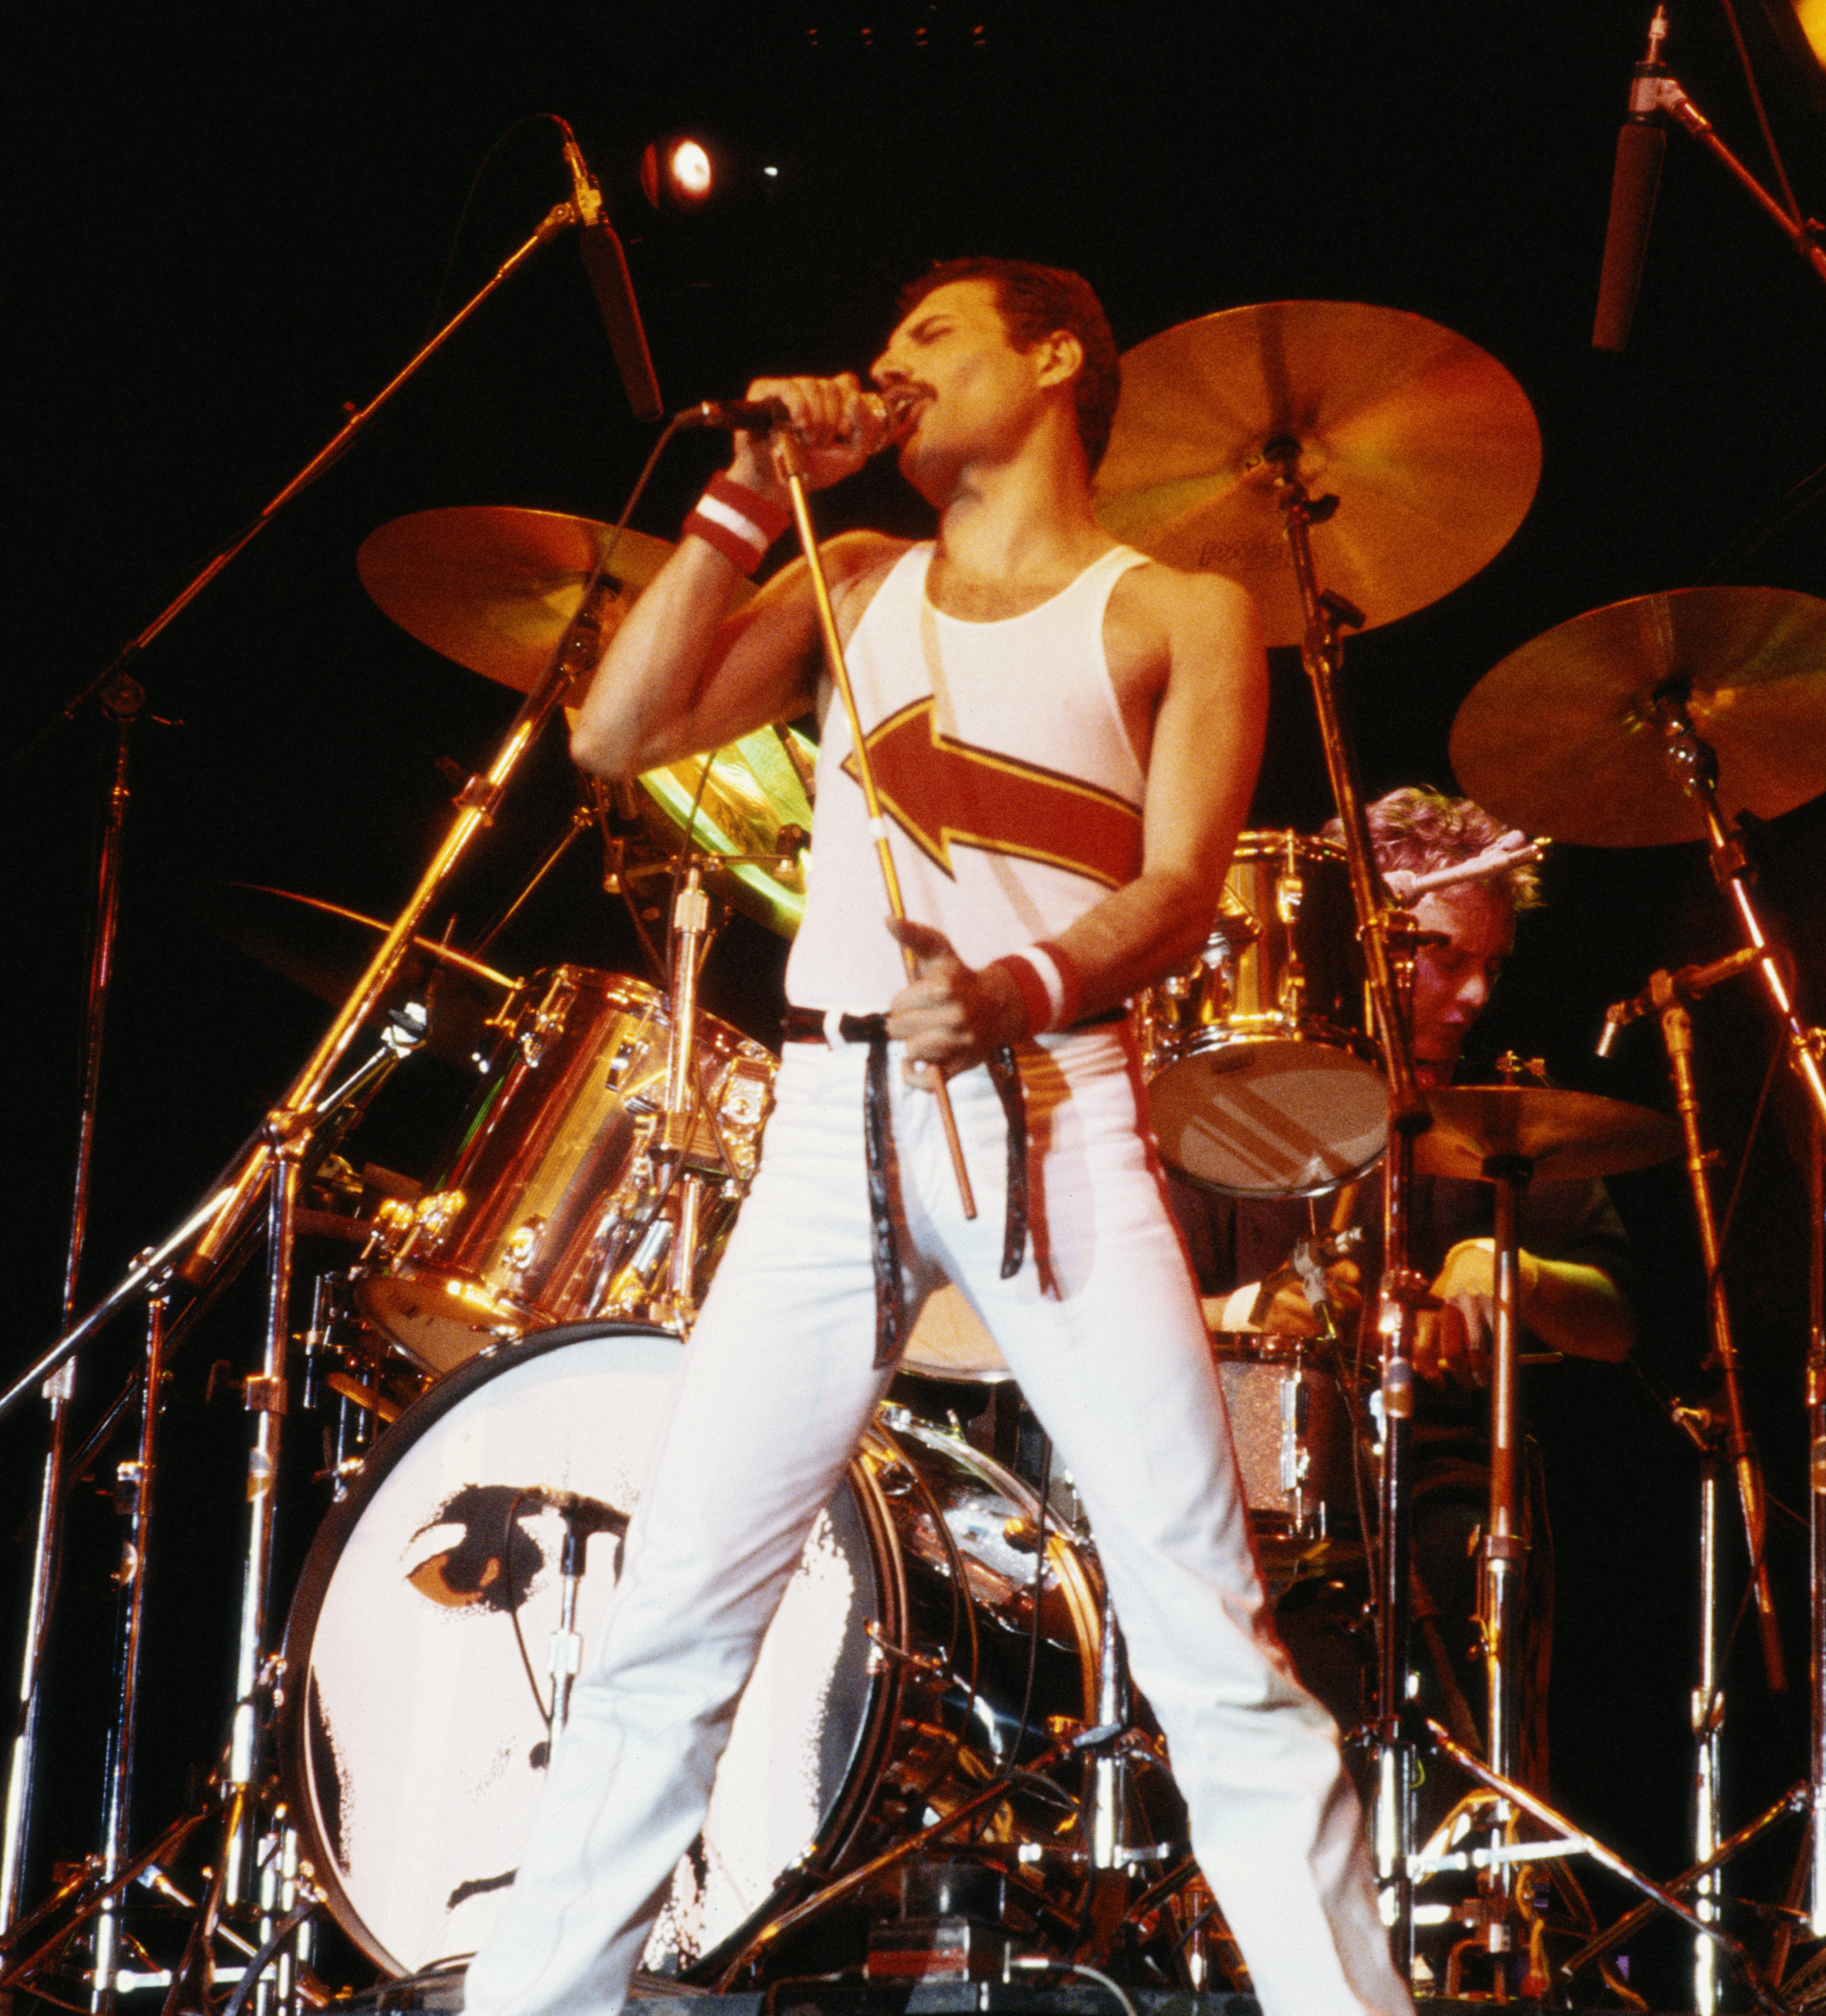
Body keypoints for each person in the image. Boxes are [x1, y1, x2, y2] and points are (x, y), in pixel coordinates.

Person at [456, 259, 1413, 2016]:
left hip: (1051, 1111)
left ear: (1056, 361)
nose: (883, 367)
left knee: (1204, 1627)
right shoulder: (859, 580)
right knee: (674, 1614)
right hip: (832, 1124)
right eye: (880, 344)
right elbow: (614, 728)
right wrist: (750, 497)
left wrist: (1013, 983)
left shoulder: (1177, 609)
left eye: (929, 336)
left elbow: (1182, 889)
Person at [1173, 786, 1637, 1787]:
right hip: (1229, 1497)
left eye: (1490, 967)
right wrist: (1245, 1316)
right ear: (1361, 938)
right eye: (1443, 956)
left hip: (1430, 1525)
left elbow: (1615, 1321)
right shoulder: (1221, 1107)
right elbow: (1089, 1316)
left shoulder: (1498, 1119)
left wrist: (1510, 1264)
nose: (1473, 996)